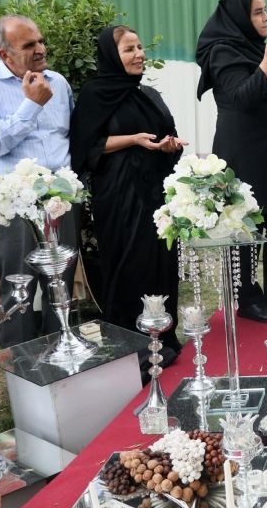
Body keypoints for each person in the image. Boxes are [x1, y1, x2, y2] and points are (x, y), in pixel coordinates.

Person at [71, 25, 187, 365]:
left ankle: (163, 337)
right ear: (112, 55)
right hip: (120, 196)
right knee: (130, 265)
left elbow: (167, 134)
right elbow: (86, 146)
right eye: (129, 49)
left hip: (156, 193)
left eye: (139, 47)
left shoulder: (148, 94)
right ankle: (131, 344)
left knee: (159, 263)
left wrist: (169, 145)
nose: (139, 54)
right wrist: (132, 139)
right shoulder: (94, 94)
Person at [0, 15, 78, 348]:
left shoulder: (58, 82)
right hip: (13, 204)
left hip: (59, 200)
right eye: (29, 45)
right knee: (18, 290)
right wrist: (31, 105)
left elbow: (71, 136)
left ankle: (63, 359)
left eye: (41, 41)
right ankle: (21, 366)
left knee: (61, 284)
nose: (41, 49)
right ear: (4, 54)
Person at [196, 0, 267, 323]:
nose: (266, 17)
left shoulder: (251, 46)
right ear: (239, 16)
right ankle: (247, 297)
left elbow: (266, 89)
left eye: (265, 9)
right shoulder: (222, 51)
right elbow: (242, 97)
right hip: (242, 148)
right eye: (257, 12)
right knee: (245, 222)